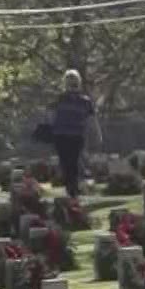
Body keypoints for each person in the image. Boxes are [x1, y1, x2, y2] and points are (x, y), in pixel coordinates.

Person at [48, 69, 102, 198]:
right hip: (61, 135)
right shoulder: (59, 99)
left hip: (77, 135)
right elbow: (50, 115)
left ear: (78, 82)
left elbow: (92, 119)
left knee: (74, 162)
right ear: (65, 83)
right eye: (69, 80)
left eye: (74, 81)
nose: (72, 84)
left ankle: (73, 190)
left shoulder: (85, 101)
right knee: (65, 162)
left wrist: (98, 134)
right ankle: (71, 189)